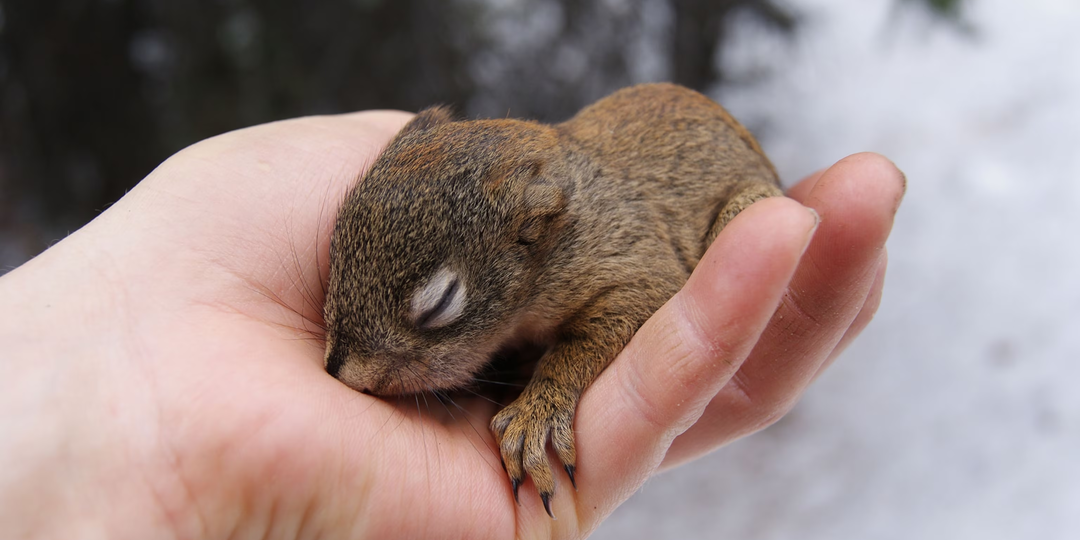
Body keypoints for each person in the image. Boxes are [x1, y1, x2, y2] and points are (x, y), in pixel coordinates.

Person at [0, 110, 903, 539]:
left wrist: (552, 390)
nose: (348, 371)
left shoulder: (577, 240)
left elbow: (636, 303)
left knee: (759, 230)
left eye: (433, 314)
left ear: (533, 237)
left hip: (711, 188)